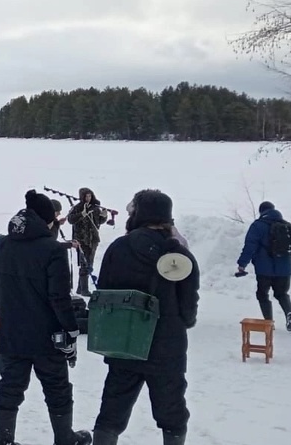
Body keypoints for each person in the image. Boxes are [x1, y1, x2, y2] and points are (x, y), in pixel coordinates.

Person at [92, 190, 198, 445]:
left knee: (112, 411)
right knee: (172, 412)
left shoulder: (118, 248)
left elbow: (103, 291)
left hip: (123, 341)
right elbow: (189, 307)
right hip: (167, 344)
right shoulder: (179, 254)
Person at [0, 190, 91, 445]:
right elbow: (59, 297)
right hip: (47, 336)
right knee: (57, 388)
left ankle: (5, 441)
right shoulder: (52, 250)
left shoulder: (2, 244)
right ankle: (65, 438)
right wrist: (71, 329)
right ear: (48, 221)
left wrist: (6, 312)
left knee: (11, 385)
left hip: (12, 332)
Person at [236, 201, 291, 332]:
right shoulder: (287, 226)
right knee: (282, 293)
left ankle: (269, 322)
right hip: (284, 269)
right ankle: (290, 313)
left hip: (264, 269)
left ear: (261, 211)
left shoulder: (258, 226)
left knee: (262, 294)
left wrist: (242, 264)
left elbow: (250, 246)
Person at [66, 187, 109, 296]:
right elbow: (70, 219)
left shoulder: (95, 208)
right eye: (86, 196)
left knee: (89, 263)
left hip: (93, 239)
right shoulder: (77, 208)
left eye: (90, 196)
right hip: (81, 240)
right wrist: (82, 214)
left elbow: (98, 222)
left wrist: (104, 216)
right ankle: (84, 289)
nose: (88, 198)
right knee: (84, 264)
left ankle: (80, 288)